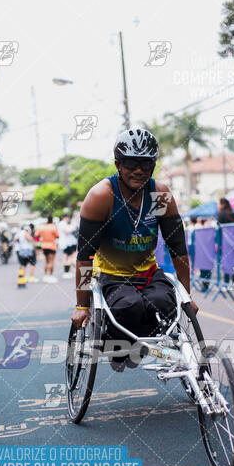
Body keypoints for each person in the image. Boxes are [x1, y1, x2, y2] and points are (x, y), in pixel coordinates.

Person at [72, 127, 198, 372]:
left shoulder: (159, 196)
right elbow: (85, 256)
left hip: (148, 272)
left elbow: (178, 248)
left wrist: (187, 296)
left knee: (164, 301)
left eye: (146, 164)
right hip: (112, 276)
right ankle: (118, 348)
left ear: (153, 165)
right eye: (131, 163)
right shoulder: (102, 196)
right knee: (130, 305)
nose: (138, 170)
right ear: (118, 164)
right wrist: (81, 306)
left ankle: (143, 345)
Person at [37, 215, 59, 283]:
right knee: (51, 261)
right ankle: (51, 276)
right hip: (51, 246)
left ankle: (45, 275)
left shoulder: (42, 227)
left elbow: (36, 234)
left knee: (46, 261)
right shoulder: (53, 227)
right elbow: (57, 236)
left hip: (44, 246)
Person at [58, 213, 77, 279]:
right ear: (65, 217)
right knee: (69, 258)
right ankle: (67, 272)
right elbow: (66, 232)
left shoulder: (64, 223)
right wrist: (74, 227)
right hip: (67, 244)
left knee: (67, 257)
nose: (69, 219)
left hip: (68, 243)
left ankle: (67, 272)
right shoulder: (62, 223)